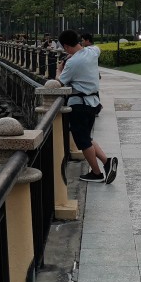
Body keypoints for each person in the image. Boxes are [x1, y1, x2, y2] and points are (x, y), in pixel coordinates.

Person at [56, 29, 117, 184]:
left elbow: (58, 84)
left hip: (79, 105)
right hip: (93, 102)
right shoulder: (92, 51)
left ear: (66, 46)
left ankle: (97, 174)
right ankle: (107, 162)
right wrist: (73, 55)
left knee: (82, 141)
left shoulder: (72, 63)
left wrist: (59, 70)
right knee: (86, 138)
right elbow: (97, 49)